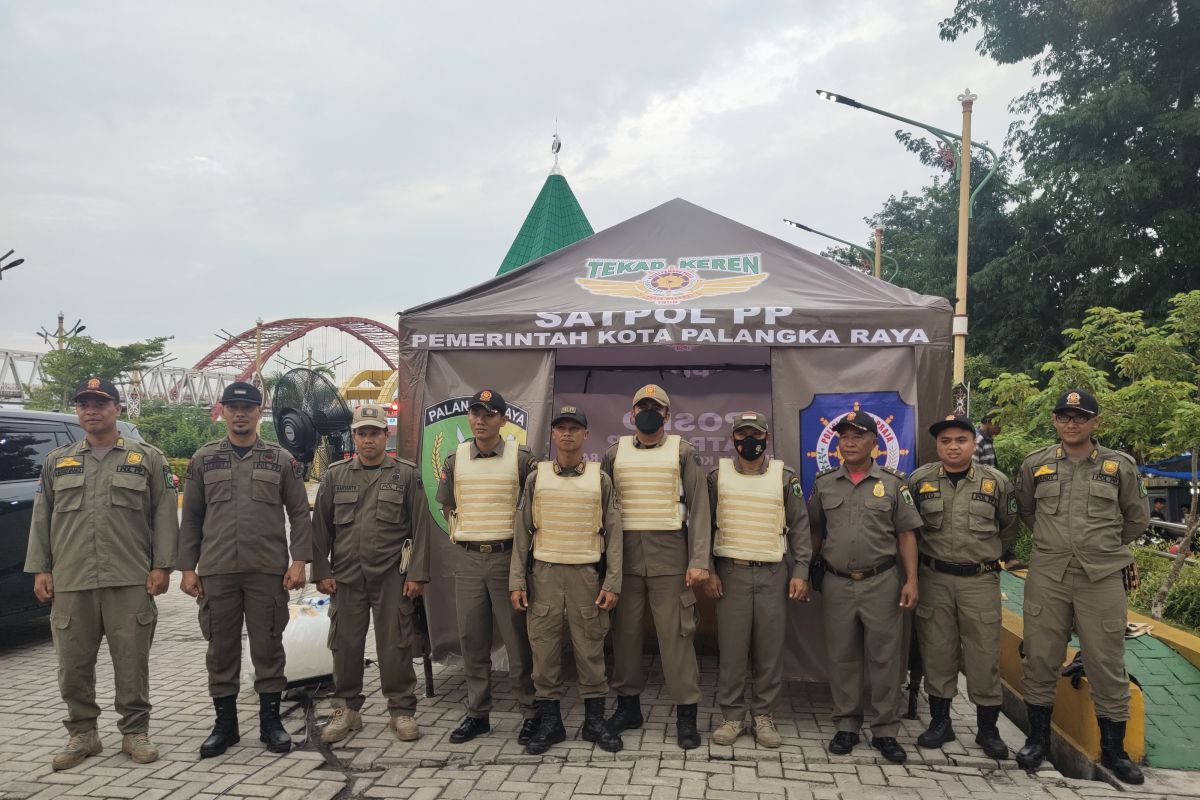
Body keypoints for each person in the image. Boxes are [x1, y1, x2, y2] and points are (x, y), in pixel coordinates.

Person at [25, 377, 179, 770]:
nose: (91, 409)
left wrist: (162, 565)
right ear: (77, 411)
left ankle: (134, 731)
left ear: (117, 408)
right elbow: (41, 518)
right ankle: (83, 734)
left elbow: (164, 514)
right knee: (72, 664)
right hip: (72, 580)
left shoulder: (147, 458)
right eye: (83, 403)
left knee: (132, 662)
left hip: (129, 579)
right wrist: (41, 568)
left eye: (100, 402)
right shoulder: (57, 461)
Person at [1013, 390, 1149, 784]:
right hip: (1049, 575)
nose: (1071, 423)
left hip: (1101, 576)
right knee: (1040, 655)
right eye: (1064, 416)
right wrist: (1056, 543)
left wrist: (1100, 547)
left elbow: (1136, 519)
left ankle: (1114, 751)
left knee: (1106, 660)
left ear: (1095, 422)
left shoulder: (1118, 466)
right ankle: (1037, 740)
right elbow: (1026, 510)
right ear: (1054, 421)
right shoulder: (1036, 464)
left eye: (1080, 416)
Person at [178, 381, 312, 757]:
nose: (240, 413)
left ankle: (271, 722)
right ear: (223, 411)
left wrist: (299, 560)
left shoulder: (280, 460)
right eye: (233, 407)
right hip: (217, 571)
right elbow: (191, 518)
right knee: (220, 649)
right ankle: (226, 725)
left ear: (259, 412)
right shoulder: (203, 459)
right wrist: (187, 568)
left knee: (269, 645)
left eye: (247, 407)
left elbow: (300, 513)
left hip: (267, 571)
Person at [311, 404, 433, 743]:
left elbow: (421, 528)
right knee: (345, 645)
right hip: (346, 576)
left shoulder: (406, 474)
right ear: (354, 436)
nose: (368, 440)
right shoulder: (335, 475)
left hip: (392, 576)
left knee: (396, 644)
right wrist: (322, 570)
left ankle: (402, 711)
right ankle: (347, 710)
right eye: (362, 433)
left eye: (374, 433)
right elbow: (319, 528)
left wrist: (417, 575)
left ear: (385, 435)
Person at [807, 409, 923, 764]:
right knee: (842, 657)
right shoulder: (825, 483)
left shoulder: (892, 483)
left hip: (882, 582)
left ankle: (885, 730)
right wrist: (806, 569)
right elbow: (812, 530)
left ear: (875, 442)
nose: (850, 442)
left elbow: (906, 534)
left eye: (858, 436)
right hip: (837, 583)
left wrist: (911, 581)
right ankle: (847, 725)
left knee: (885, 659)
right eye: (844, 437)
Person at [601, 384, 711, 749]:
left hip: (671, 555)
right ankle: (628, 707)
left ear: (667, 415)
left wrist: (698, 560)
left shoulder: (684, 452)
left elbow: (699, 509)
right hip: (626, 556)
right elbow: (602, 508)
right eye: (641, 407)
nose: (648, 412)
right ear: (632, 414)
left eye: (656, 407)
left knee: (677, 635)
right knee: (625, 634)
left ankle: (686, 714)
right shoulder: (613, 454)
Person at [509, 406, 624, 755]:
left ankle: (594, 722)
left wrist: (613, 582)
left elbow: (615, 533)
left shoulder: (600, 479)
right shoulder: (535, 478)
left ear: (586, 435)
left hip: (586, 576)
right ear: (554, 434)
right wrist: (517, 580)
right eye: (561, 428)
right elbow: (521, 531)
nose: (567, 434)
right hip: (543, 574)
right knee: (544, 653)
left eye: (575, 428)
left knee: (590, 651)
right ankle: (551, 724)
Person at [908, 414, 1018, 759]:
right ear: (937, 446)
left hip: (980, 581)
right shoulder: (920, 481)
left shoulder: (995, 482)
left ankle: (987, 729)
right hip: (934, 579)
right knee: (937, 651)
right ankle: (941, 722)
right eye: (945, 441)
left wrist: (988, 557)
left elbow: (1009, 526)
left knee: (983, 654)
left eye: (960, 440)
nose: (952, 447)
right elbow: (909, 529)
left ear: (973, 443)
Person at [436, 389, 539, 744]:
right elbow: (448, 507)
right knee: (472, 639)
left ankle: (530, 711)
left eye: (489, 414)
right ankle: (478, 714)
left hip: (507, 559)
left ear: (502, 420)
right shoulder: (454, 458)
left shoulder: (522, 458)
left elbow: (533, 511)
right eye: (475, 413)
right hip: (467, 559)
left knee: (517, 640)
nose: (480, 420)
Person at [704, 412, 810, 748]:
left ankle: (764, 716)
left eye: (755, 434)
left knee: (769, 651)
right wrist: (708, 568)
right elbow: (702, 527)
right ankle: (732, 716)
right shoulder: (715, 477)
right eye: (742, 434)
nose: (749, 440)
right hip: (731, 572)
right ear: (733, 439)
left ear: (766, 438)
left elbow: (801, 527)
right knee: (733, 651)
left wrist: (801, 571)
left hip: (772, 573)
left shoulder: (784, 477)